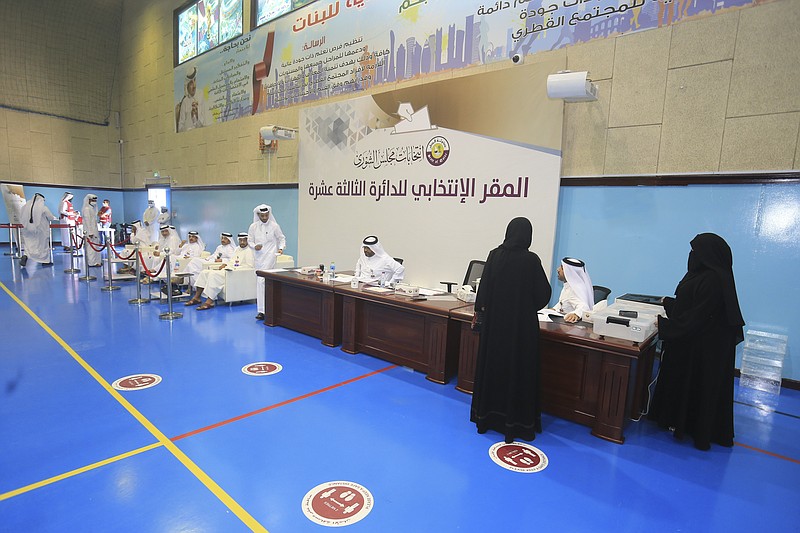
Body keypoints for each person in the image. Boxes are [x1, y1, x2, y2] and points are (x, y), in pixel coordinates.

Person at [649, 233, 745, 451]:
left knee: (698, 386)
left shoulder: (712, 280)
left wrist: (664, 325)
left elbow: (697, 317)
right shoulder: (703, 275)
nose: (692, 256)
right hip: (697, 343)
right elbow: (692, 306)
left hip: (705, 349)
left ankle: (693, 428)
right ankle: (678, 421)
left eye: (696, 252)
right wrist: (669, 304)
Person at [470, 217, 552, 444]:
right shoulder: (531, 260)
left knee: (493, 368)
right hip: (521, 329)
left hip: (495, 328)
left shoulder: (495, 255)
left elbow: (483, 292)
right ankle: (518, 423)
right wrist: (524, 307)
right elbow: (543, 294)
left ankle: (486, 418)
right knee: (519, 370)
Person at [187, 233, 255, 309]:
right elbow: (231, 260)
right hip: (228, 269)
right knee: (204, 272)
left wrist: (234, 268)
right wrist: (225, 264)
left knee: (214, 275)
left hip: (236, 273)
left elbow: (250, 266)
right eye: (240, 240)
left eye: (244, 240)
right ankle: (197, 297)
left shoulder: (250, 251)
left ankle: (210, 301)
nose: (242, 242)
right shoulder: (237, 249)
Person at [248, 204, 285, 321]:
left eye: (266, 215)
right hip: (258, 257)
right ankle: (263, 309)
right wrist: (254, 246)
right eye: (262, 215)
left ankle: (263, 311)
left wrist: (281, 248)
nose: (264, 217)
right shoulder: (253, 227)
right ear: (258, 215)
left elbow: (281, 238)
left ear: (269, 214)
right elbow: (249, 240)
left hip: (270, 256)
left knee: (261, 281)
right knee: (262, 282)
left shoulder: (274, 226)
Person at [19, 193, 58, 267]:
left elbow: (21, 216)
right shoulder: (43, 208)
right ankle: (45, 261)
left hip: (27, 229)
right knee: (42, 245)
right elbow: (50, 217)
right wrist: (55, 218)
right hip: (40, 230)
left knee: (29, 244)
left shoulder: (25, 207)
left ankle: (26, 255)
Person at [554, 257, 594, 323]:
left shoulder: (576, 289)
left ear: (570, 272)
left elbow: (584, 306)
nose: (558, 270)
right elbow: (564, 303)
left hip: (570, 327)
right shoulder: (568, 285)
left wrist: (576, 314)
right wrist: (554, 309)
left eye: (562, 268)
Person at [176, 67, 209, 132]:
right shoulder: (185, 102)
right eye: (191, 83)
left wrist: (197, 116)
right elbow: (180, 128)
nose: (194, 85)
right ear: (187, 86)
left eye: (195, 80)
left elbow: (205, 123)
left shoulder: (201, 94)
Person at [81, 194, 102, 267]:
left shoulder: (91, 208)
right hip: (90, 232)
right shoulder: (87, 209)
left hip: (94, 230)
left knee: (95, 246)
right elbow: (87, 221)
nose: (94, 202)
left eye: (95, 200)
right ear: (89, 200)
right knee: (91, 248)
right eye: (93, 200)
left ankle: (96, 261)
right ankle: (91, 262)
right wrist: (90, 232)